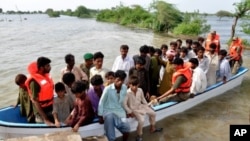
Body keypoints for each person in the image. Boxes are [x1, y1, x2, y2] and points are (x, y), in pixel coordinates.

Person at [123, 76, 162, 141]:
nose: (134, 87)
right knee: (141, 120)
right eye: (133, 85)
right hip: (134, 110)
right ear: (129, 84)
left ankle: (153, 128)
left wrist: (147, 105)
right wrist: (129, 112)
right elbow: (124, 104)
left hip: (141, 106)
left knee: (153, 113)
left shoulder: (140, 90)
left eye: (136, 85)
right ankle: (139, 135)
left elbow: (143, 99)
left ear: (138, 84)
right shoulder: (127, 93)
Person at [98, 70, 130, 141]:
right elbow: (101, 102)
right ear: (115, 79)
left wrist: (127, 111)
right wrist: (100, 115)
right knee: (111, 136)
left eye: (122, 80)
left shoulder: (124, 88)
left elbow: (123, 102)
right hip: (108, 111)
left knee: (127, 128)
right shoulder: (107, 89)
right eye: (118, 80)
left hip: (119, 111)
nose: (120, 82)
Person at [25, 57, 54, 125]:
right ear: (41, 68)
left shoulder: (46, 77)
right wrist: (46, 119)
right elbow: (35, 102)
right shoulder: (34, 82)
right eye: (47, 66)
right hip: (40, 111)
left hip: (49, 107)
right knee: (45, 125)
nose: (50, 67)